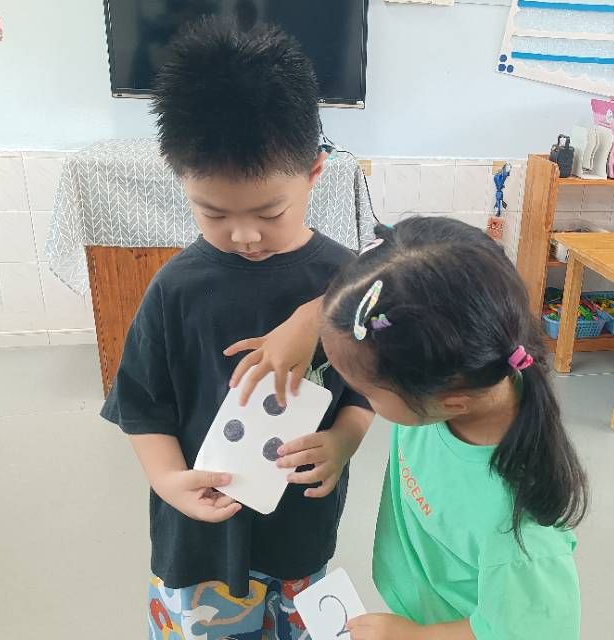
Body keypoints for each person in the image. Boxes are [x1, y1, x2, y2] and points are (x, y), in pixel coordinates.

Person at [100, 18, 373, 640]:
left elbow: (365, 387)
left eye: (270, 212)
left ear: (314, 173)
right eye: (213, 212)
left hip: (299, 534)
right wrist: (169, 481)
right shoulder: (175, 288)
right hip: (199, 541)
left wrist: (344, 441)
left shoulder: (346, 280)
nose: (245, 234)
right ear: (182, 180)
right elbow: (143, 405)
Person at [255, 217, 587, 639]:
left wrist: (413, 636)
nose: (359, 394)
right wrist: (309, 319)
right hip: (420, 608)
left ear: (448, 403)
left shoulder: (518, 530)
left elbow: (528, 633)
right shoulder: (444, 369)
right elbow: (405, 280)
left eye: (367, 391)